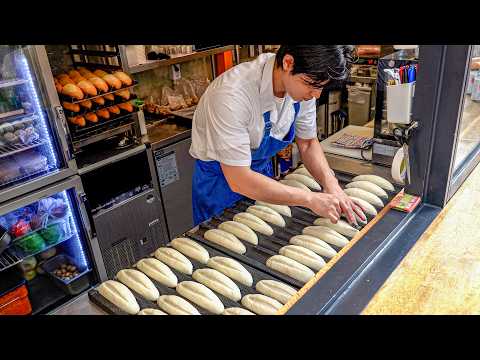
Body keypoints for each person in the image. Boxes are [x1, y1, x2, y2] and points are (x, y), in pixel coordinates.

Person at [190, 45, 366, 226]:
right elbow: (239, 179)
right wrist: (309, 199)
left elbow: (307, 143)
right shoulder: (231, 95)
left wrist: (331, 185)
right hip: (221, 185)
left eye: (322, 87)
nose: (316, 94)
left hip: (261, 174)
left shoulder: (303, 86)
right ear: (288, 62)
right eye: (312, 85)